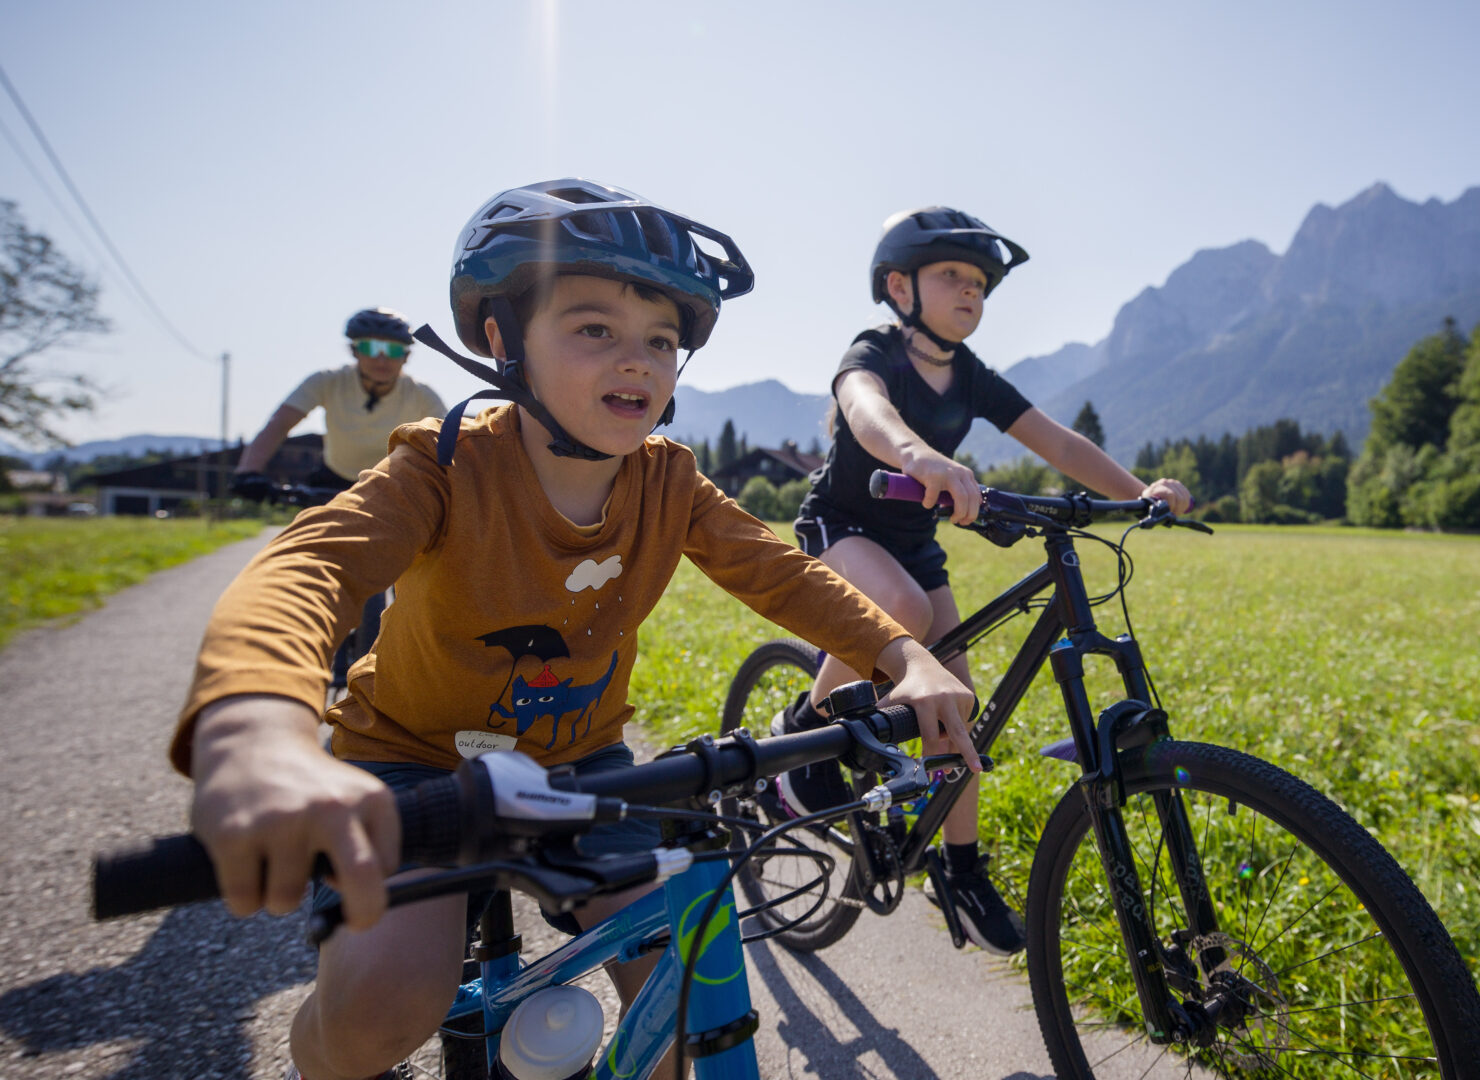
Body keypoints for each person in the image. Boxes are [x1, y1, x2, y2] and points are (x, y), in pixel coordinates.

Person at [176, 179, 978, 1080]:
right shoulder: (440, 467)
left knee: (694, 1003)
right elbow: (305, 571)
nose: (636, 360)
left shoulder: (669, 481)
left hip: (581, 768)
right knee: (383, 1007)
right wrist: (254, 728)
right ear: (500, 340)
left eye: (662, 340)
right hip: (409, 761)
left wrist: (901, 653)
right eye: (594, 328)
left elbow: (778, 569)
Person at [779, 206, 1192, 956]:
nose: (971, 292)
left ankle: (961, 871)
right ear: (899, 286)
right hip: (845, 529)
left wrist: (1141, 492)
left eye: (979, 283)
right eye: (953, 277)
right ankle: (801, 738)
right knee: (898, 608)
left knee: (953, 705)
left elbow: (1056, 440)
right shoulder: (876, 349)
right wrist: (917, 455)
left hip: (914, 546)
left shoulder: (970, 376)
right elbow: (863, 408)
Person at [232, 308, 448, 496]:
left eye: (392, 349)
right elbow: (279, 424)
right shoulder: (327, 381)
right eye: (369, 348)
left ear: (406, 356)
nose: (381, 359)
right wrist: (248, 471)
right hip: (333, 479)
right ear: (354, 351)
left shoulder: (422, 394)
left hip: (393, 482)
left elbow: (450, 441)